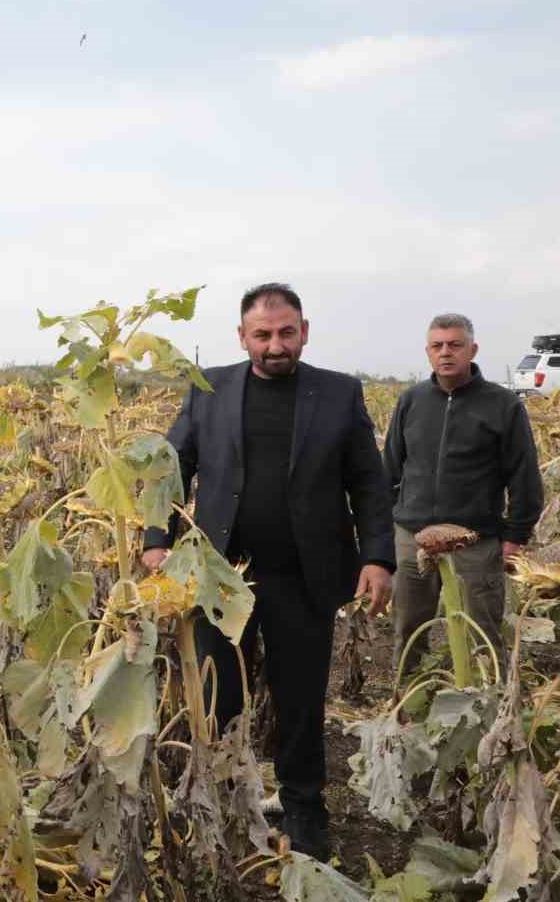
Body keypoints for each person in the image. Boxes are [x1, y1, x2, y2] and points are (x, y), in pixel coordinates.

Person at [142, 282, 394, 861]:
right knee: (220, 695)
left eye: (286, 332)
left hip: (304, 578)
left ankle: (305, 811)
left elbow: (369, 482)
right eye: (263, 335)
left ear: (304, 331)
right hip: (220, 578)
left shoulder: (338, 393)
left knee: (300, 700)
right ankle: (225, 801)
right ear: (242, 337)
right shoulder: (210, 391)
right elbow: (171, 466)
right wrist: (158, 540)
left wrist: (377, 556)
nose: (275, 345)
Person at [385, 313, 543, 679]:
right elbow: (389, 469)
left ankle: (491, 705)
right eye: (437, 346)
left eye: (455, 345)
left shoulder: (503, 405)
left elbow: (523, 474)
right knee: (409, 628)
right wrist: (391, 522)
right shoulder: (411, 401)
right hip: (414, 537)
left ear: (472, 349)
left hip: (475, 539)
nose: (446, 353)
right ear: (428, 352)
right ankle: (408, 703)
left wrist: (515, 535)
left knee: (482, 631)